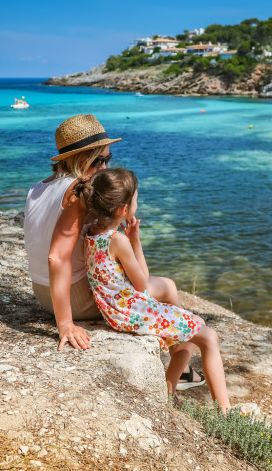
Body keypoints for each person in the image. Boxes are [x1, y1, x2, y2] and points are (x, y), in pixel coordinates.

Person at [23, 115, 205, 388]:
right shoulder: (78, 190)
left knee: (152, 284)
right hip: (71, 298)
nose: (105, 166)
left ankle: (182, 366)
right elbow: (56, 256)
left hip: (42, 292)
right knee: (166, 287)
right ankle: (182, 367)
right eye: (99, 161)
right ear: (80, 158)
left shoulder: (38, 188)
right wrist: (65, 324)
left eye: (108, 158)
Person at [74, 168, 231, 408]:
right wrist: (135, 240)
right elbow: (141, 282)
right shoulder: (117, 240)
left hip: (116, 308)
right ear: (123, 210)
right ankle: (226, 414)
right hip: (130, 311)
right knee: (208, 335)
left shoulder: (91, 231)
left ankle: (169, 391)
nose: (137, 202)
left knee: (188, 335)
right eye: (135, 199)